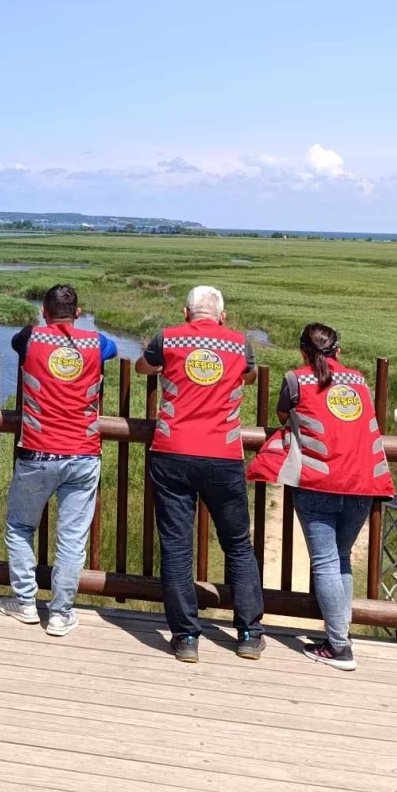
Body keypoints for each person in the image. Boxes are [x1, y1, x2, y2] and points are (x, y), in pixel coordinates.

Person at [248, 323, 393, 671]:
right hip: (362, 482)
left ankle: (340, 646)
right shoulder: (358, 380)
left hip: (318, 481)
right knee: (340, 560)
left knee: (326, 563)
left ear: (302, 352)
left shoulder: (296, 379)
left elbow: (284, 415)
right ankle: (339, 637)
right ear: (338, 351)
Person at [135, 284, 264, 663]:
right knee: (238, 545)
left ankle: (186, 638)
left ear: (185, 312)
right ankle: (249, 634)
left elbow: (144, 366)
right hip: (223, 455)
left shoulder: (167, 338)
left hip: (172, 451)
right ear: (222, 316)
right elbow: (250, 377)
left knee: (176, 547)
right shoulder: (239, 344)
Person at [0, 284, 118, 637]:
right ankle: (61, 613)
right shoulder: (98, 344)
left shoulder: (29, 338)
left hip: (37, 450)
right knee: (71, 539)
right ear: (78, 313)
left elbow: (18, 343)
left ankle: (24, 603)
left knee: (20, 527)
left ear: (43, 313)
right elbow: (108, 349)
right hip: (83, 453)